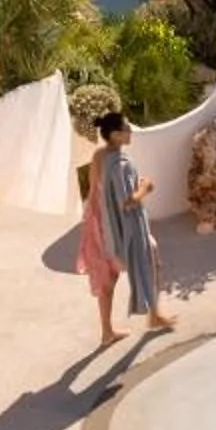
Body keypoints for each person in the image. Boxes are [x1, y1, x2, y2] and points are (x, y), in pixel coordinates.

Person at [79, 110, 174, 343]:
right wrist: (146, 188)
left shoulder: (99, 156)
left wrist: (93, 226)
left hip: (101, 226)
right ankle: (153, 315)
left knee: (108, 279)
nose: (130, 131)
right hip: (121, 230)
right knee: (150, 258)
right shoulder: (120, 163)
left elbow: (93, 193)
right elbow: (127, 201)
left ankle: (107, 332)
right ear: (115, 135)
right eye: (126, 129)